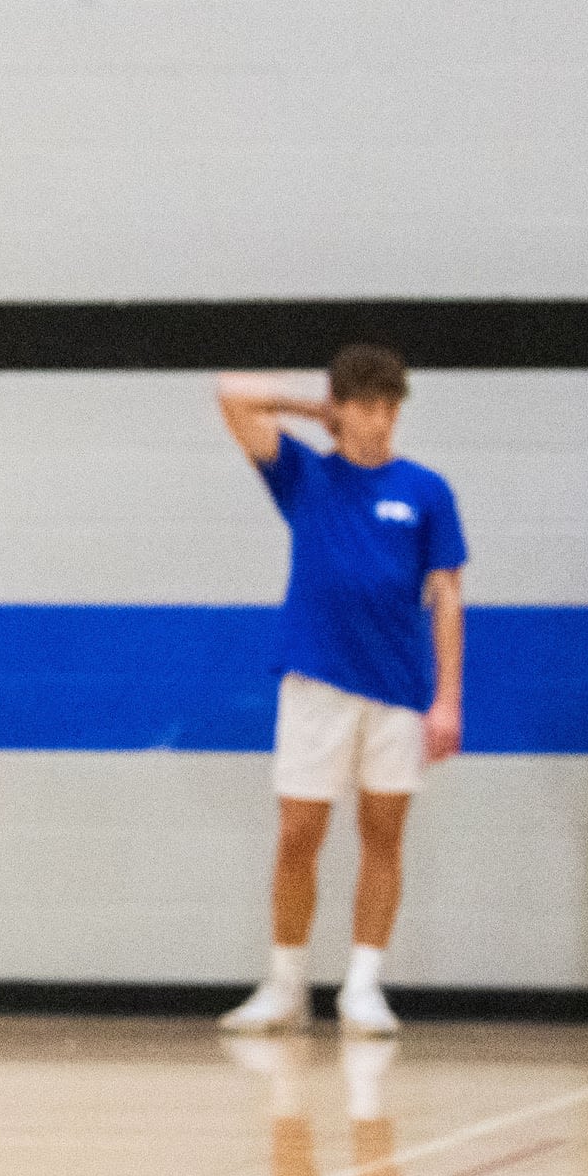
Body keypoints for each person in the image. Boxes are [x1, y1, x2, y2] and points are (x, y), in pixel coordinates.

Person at [213, 348, 466, 1037]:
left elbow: (447, 595)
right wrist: (310, 408)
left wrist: (448, 698)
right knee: (299, 833)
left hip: (398, 690)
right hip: (316, 680)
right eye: (367, 404)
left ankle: (362, 984)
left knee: (383, 833)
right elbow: (232, 390)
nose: (381, 420)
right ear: (342, 406)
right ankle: (286, 982)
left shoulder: (426, 490)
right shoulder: (305, 475)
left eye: (391, 406)